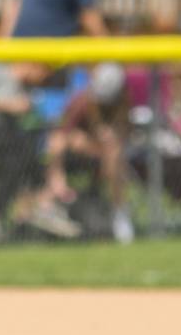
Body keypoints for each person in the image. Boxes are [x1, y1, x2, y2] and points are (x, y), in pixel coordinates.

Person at [0, 62, 80, 242]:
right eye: (44, 76)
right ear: (36, 66)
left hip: (6, 142)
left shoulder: (27, 90)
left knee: (23, 151)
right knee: (21, 147)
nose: (43, 82)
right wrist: (10, 106)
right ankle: (39, 204)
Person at [43, 62, 135, 243]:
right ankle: (52, 195)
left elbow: (124, 136)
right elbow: (59, 137)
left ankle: (119, 211)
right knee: (66, 141)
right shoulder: (81, 101)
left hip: (108, 158)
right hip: (79, 155)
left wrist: (109, 136)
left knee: (114, 151)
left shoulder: (123, 102)